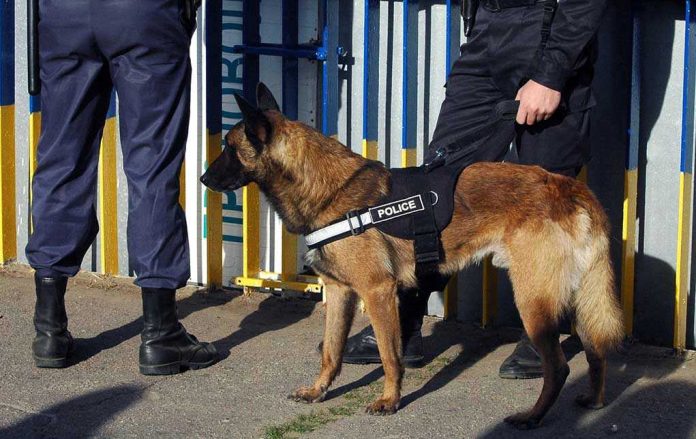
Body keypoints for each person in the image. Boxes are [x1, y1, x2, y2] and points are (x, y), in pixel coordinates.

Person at [330, 0, 608, 378]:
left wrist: (551, 74)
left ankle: (541, 334)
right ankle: (407, 323)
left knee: (542, 194)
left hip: (549, 28)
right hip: (485, 31)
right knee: (437, 189)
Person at [27, 0, 218, 375]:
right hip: (144, 14)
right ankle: (160, 335)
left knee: (62, 159)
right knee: (153, 167)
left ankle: (49, 331)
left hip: (64, 14)